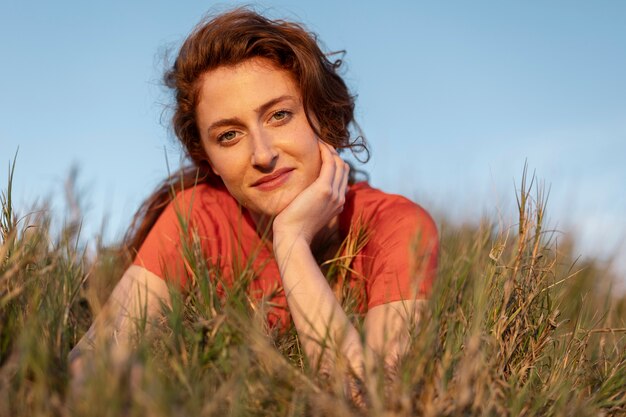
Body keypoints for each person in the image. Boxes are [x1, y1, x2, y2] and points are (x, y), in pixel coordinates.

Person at [69, 7, 438, 399]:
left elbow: (370, 400)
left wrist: (291, 242)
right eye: (229, 135)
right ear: (207, 157)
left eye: (280, 115)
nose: (262, 154)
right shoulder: (198, 220)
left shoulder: (396, 227)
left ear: (321, 116)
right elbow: (89, 363)